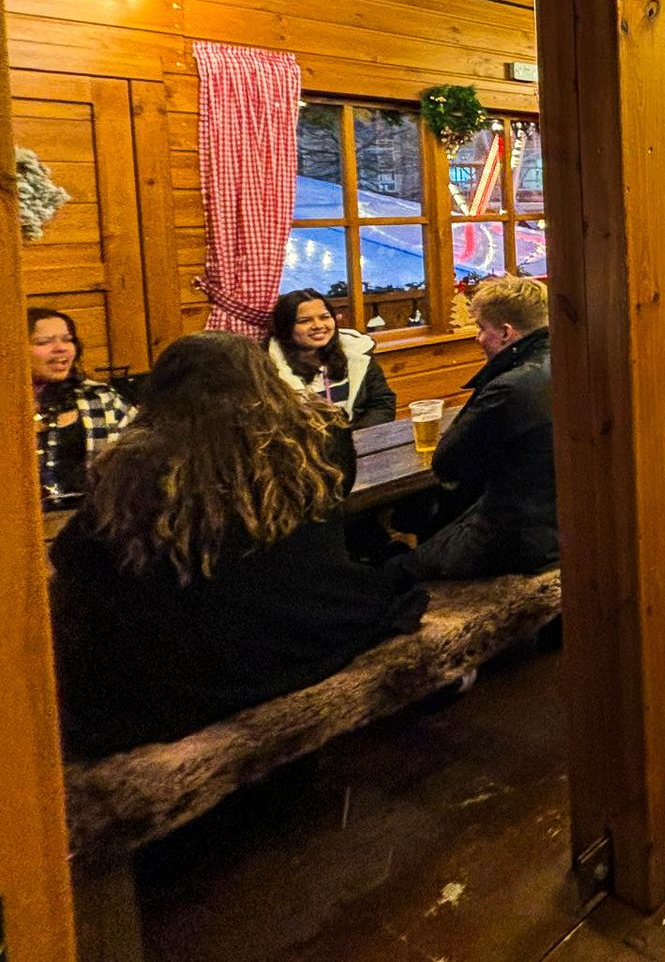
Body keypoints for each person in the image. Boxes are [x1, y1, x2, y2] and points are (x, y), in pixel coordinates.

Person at [47, 330, 426, 758]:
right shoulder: (319, 435)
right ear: (265, 377)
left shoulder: (136, 463)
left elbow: (71, 556)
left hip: (198, 665)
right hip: (307, 624)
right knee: (381, 578)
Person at [390, 276, 555, 580]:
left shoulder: (509, 388)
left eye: (481, 328)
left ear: (506, 332)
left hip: (518, 537)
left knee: (394, 572)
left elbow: (448, 463)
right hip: (559, 524)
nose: (477, 338)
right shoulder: (573, 361)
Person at [29, 307, 133, 510]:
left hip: (88, 524)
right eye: (43, 342)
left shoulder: (101, 398)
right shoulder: (9, 408)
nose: (61, 348)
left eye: (68, 339)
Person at [265, 289, 397, 429]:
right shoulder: (267, 366)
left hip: (359, 443)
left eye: (324, 317)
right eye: (305, 321)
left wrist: (351, 440)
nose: (318, 326)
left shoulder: (356, 352)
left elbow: (382, 403)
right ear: (285, 327)